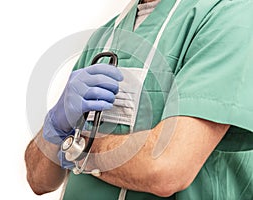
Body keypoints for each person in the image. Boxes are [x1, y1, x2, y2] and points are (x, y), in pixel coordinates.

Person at [24, 0, 253, 199]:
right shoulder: (106, 36)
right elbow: (39, 180)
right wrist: (55, 124)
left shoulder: (232, 18)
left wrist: (74, 147)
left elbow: (165, 168)